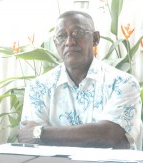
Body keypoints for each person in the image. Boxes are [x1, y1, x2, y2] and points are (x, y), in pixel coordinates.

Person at [18, 10, 142, 150]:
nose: (69, 42)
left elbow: (110, 135)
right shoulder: (38, 87)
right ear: (56, 43)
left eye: (78, 33)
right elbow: (29, 139)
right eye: (62, 36)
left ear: (95, 38)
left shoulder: (123, 83)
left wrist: (40, 132)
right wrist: (98, 137)